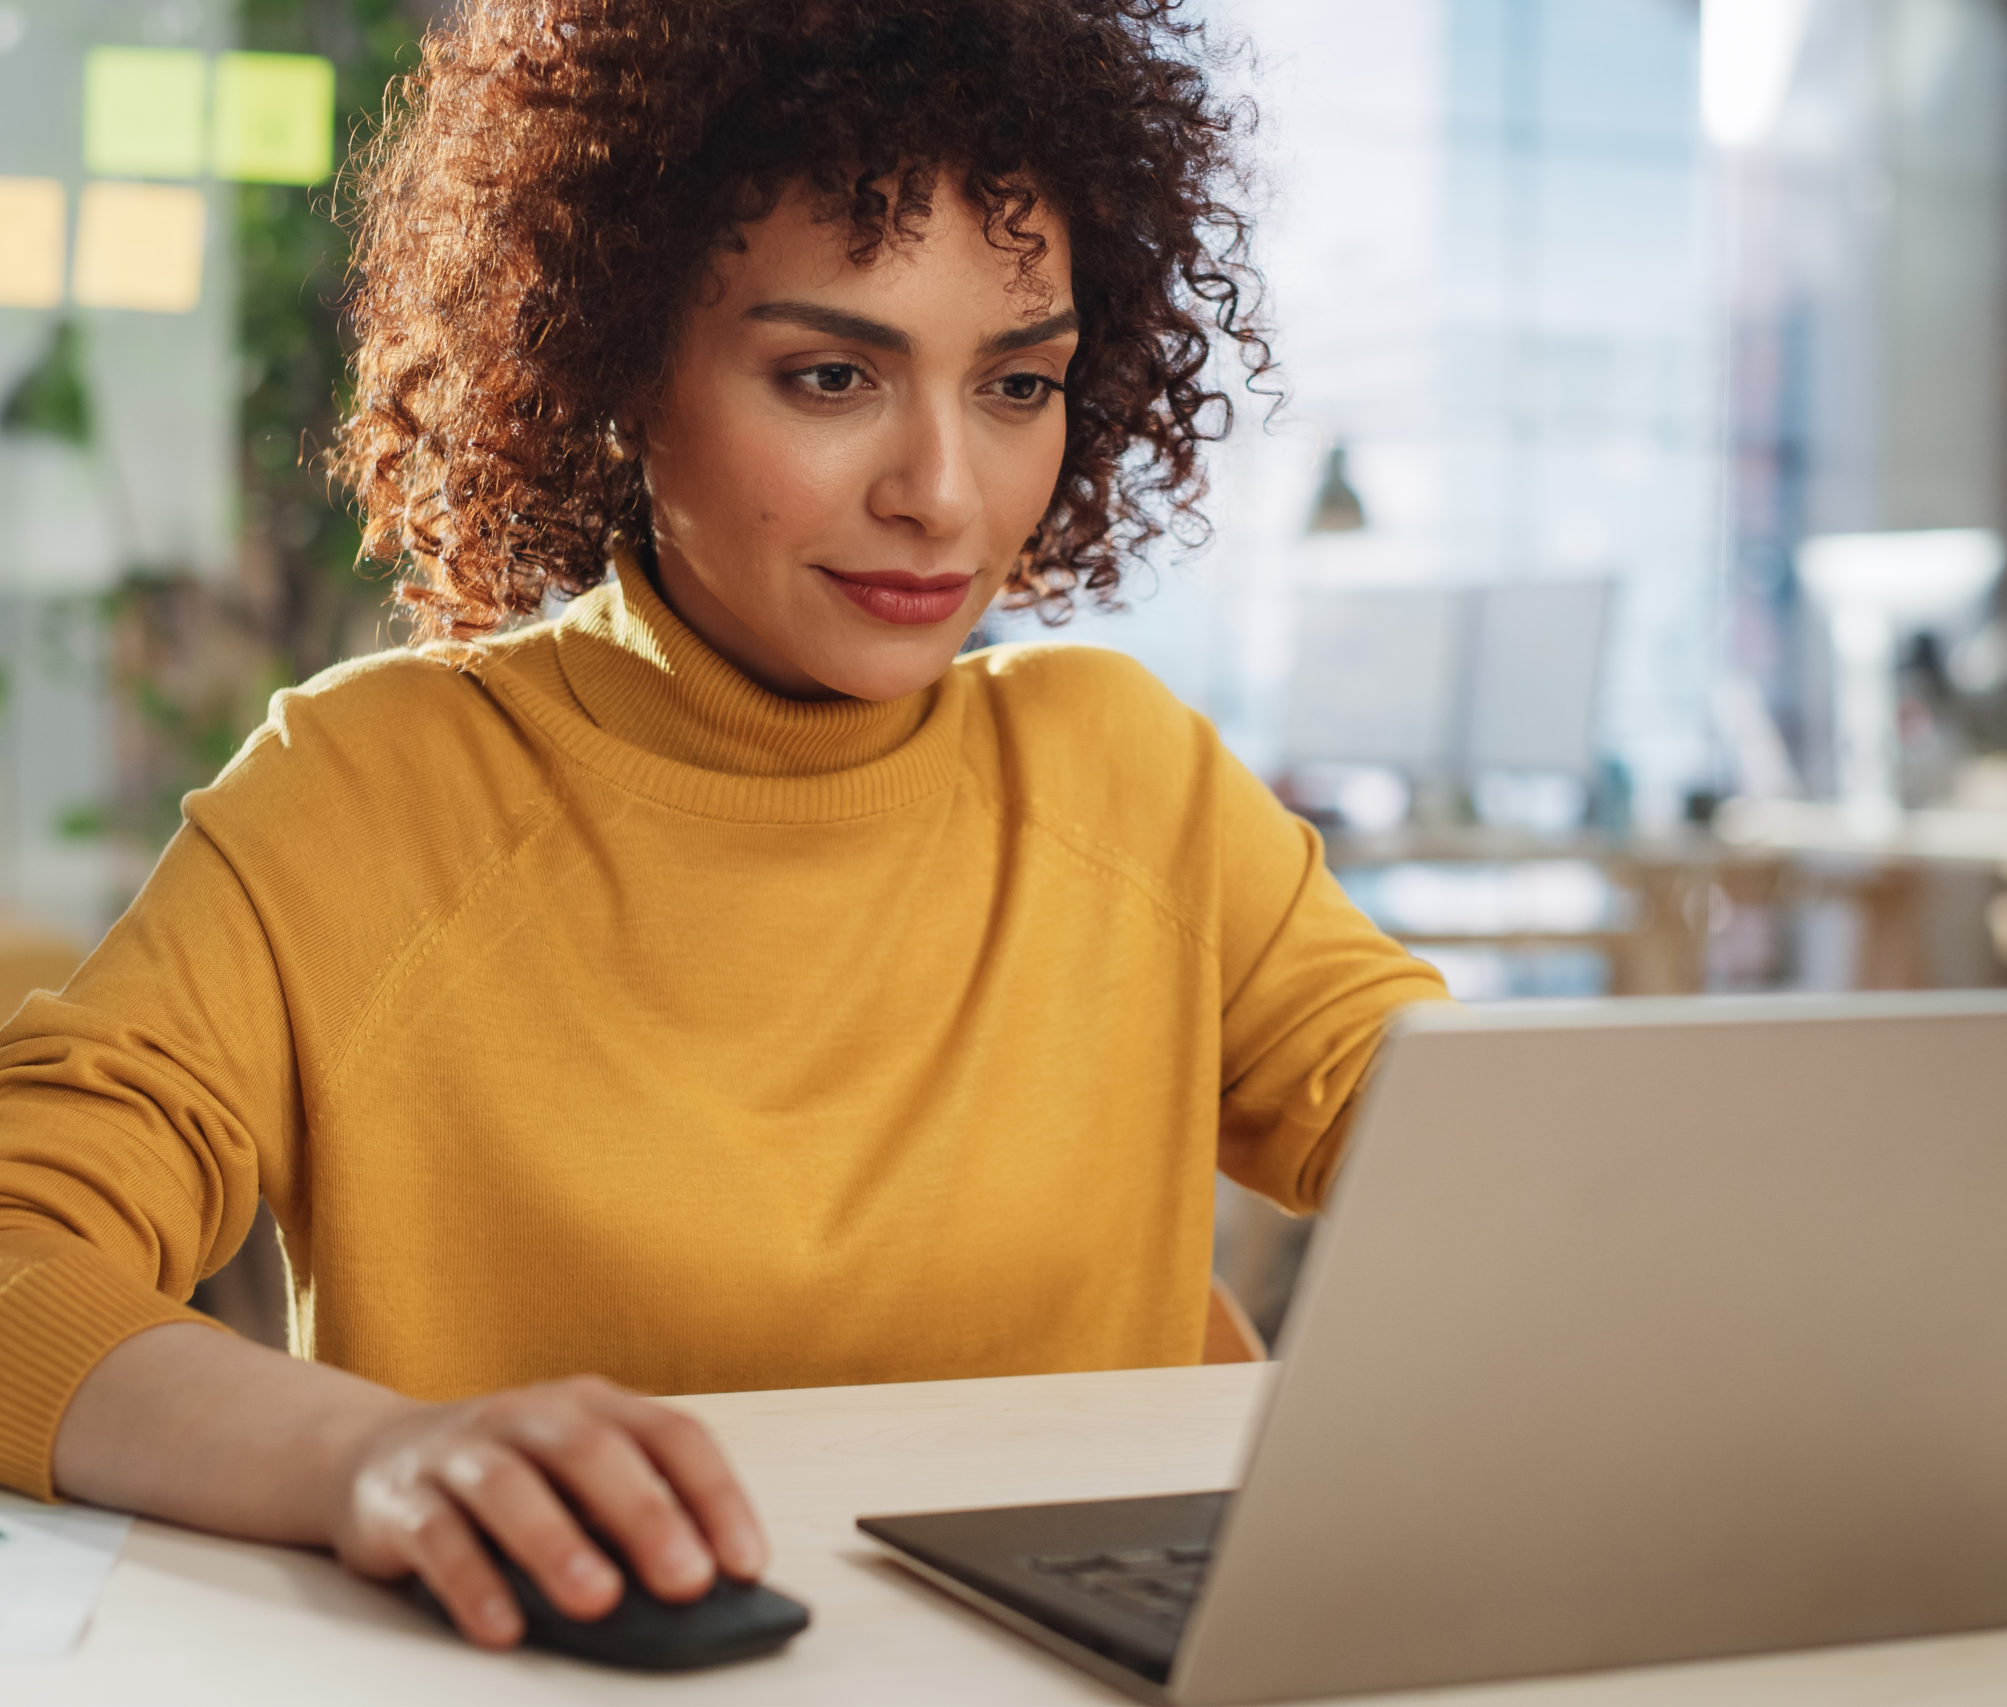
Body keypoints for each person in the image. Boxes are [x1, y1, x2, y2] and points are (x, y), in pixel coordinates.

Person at [0, 0, 1445, 1651]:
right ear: (611, 360)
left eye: (1018, 383)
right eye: (831, 376)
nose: (945, 494)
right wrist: (372, 1458)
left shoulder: (1133, 781)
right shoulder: (369, 795)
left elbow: (1513, 1158)